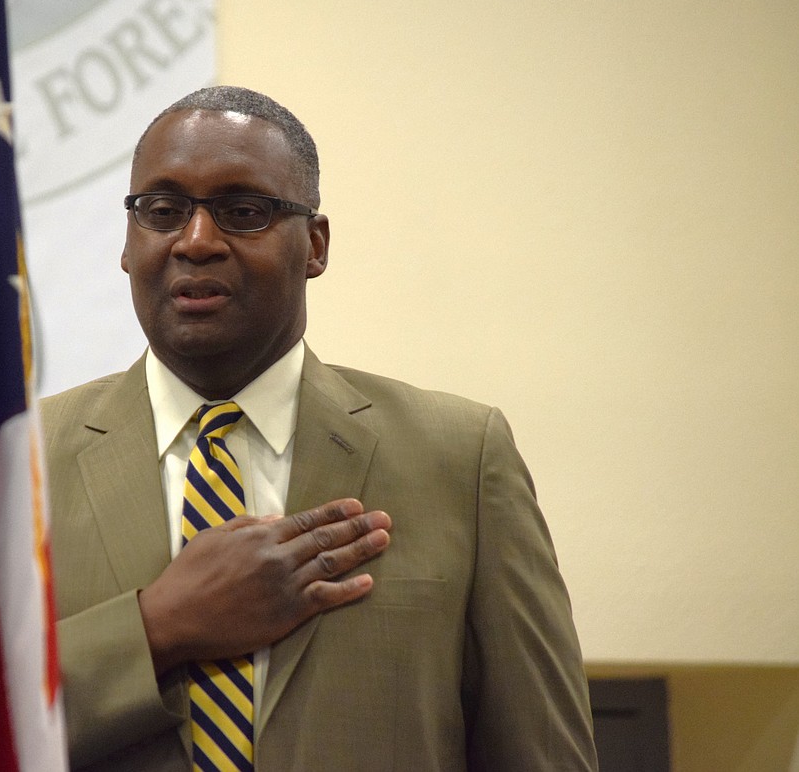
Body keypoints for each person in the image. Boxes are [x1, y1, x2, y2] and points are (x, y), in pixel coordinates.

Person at [41, 85, 598, 771]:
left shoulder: (461, 457)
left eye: (243, 212)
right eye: (163, 211)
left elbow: (541, 752)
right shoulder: (19, 470)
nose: (196, 241)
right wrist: (157, 629)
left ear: (315, 245)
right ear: (129, 243)